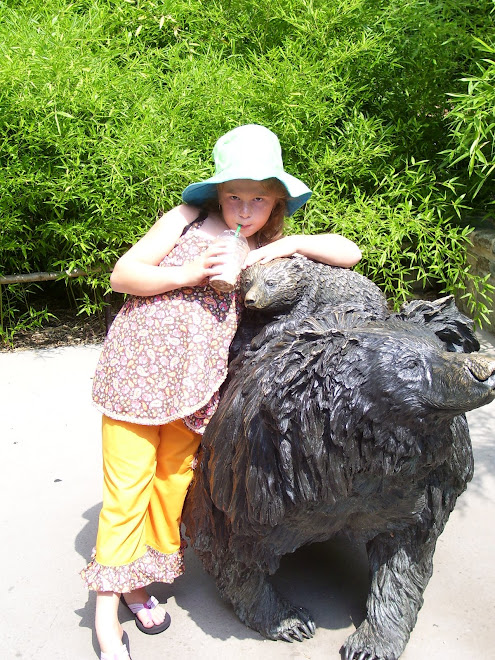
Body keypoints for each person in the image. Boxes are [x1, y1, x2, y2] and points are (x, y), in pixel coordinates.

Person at [81, 123, 362, 659]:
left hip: (196, 387)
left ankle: (137, 585)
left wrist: (283, 247)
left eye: (260, 198)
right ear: (218, 193)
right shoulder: (187, 219)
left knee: (169, 487)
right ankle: (104, 612)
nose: (245, 208)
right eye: (235, 195)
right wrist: (187, 273)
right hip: (139, 375)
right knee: (126, 490)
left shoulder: (267, 246)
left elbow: (348, 251)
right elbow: (122, 275)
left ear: (277, 202)